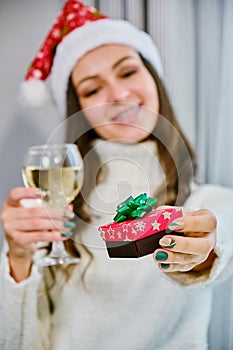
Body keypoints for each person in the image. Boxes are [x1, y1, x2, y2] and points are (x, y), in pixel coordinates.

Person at [1, 1, 233, 349]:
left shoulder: (208, 203)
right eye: (92, 90)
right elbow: (18, 342)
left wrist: (198, 255)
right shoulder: (52, 216)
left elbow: (218, 235)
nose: (119, 95)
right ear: (80, 110)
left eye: (127, 72)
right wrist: (17, 258)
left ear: (152, 77)